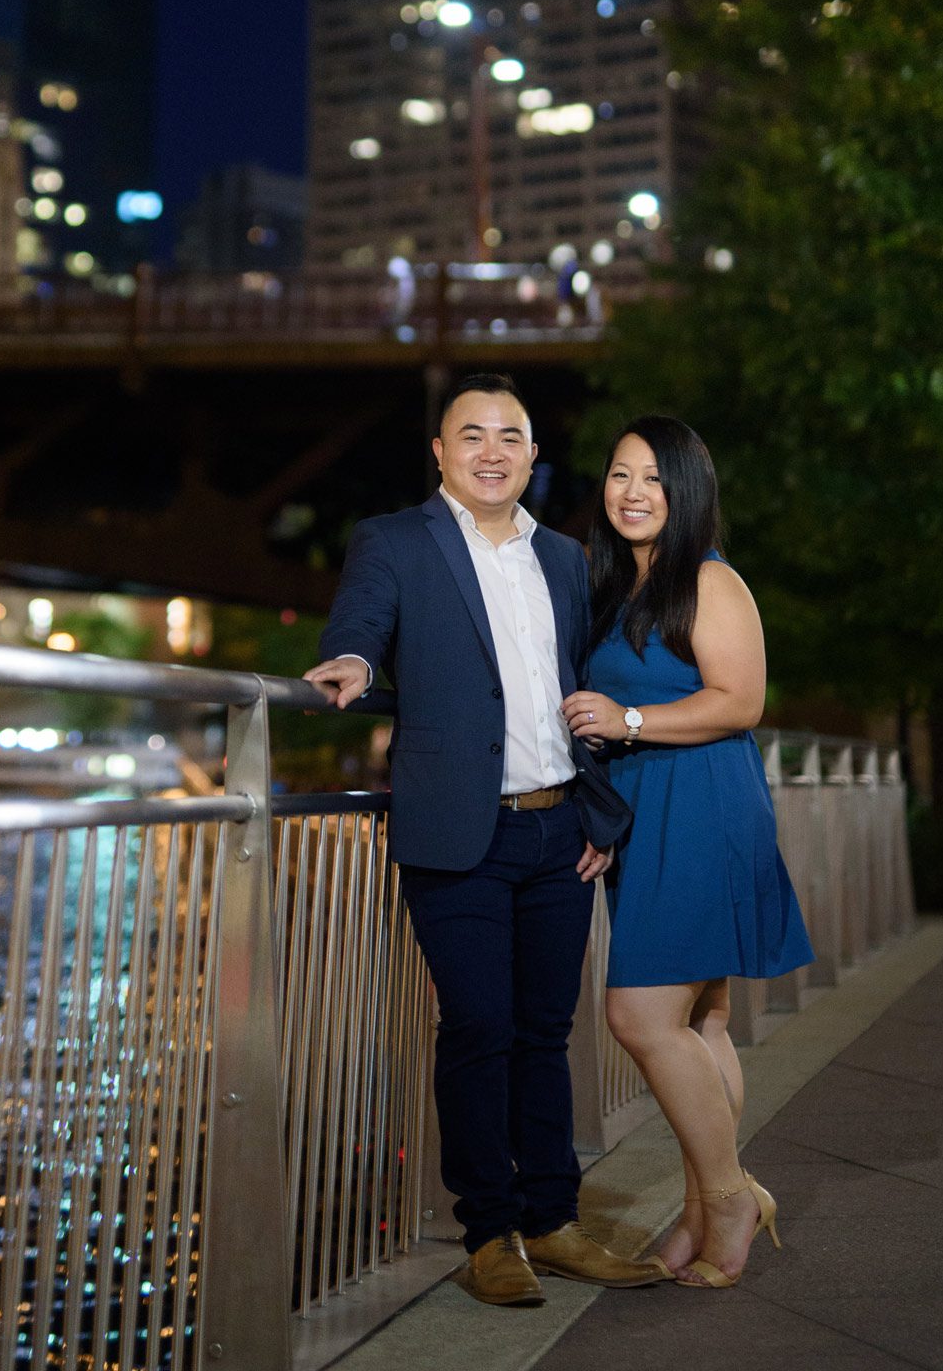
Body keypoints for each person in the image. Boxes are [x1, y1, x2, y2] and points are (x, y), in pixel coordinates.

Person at [304, 373, 667, 1308]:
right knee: (477, 1029)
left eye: (511, 435)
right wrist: (351, 657)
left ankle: (552, 1223)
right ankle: (488, 1235)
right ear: (439, 450)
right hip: (457, 831)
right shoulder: (394, 540)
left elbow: (588, 682)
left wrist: (598, 812)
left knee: (545, 1033)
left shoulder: (567, 558)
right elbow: (362, 623)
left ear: (534, 455)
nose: (492, 451)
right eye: (472, 435)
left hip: (559, 832)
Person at [560, 415, 813, 1290]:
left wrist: (626, 719)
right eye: (620, 475)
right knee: (700, 1019)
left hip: (702, 804)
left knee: (639, 1016)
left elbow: (738, 702)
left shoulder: (710, 581)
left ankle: (729, 1195)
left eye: (654, 480)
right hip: (645, 813)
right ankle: (704, 1214)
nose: (633, 494)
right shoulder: (619, 588)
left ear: (686, 492)